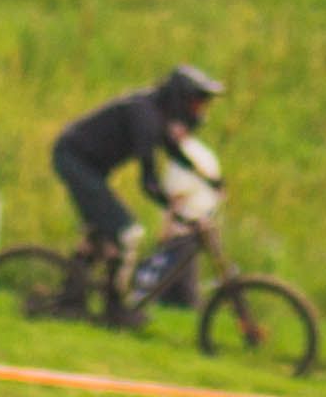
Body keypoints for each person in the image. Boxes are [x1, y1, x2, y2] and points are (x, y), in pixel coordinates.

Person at [51, 65, 220, 265]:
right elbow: (148, 181)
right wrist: (177, 211)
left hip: (91, 166)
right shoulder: (145, 117)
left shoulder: (157, 113)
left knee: (108, 238)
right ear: (179, 100)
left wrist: (209, 180)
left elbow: (174, 152)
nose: (198, 111)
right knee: (126, 231)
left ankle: (78, 282)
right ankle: (100, 291)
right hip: (73, 159)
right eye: (196, 105)